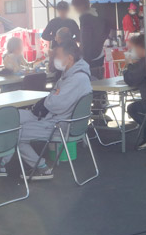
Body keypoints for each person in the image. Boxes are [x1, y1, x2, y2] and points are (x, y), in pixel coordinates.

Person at [7, 42, 93, 180]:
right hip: (59, 120)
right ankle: (2, 163)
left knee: (14, 133)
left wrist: (52, 96)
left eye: (57, 55)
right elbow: (55, 98)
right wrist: (54, 95)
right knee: (12, 118)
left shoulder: (76, 79)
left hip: (59, 125)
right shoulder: (74, 75)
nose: (54, 59)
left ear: (70, 58)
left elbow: (54, 104)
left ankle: (41, 168)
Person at [71, 0, 111, 82]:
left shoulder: (85, 18)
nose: (75, 10)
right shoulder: (96, 14)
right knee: (99, 81)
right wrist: (101, 41)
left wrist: (85, 60)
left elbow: (86, 40)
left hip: (90, 56)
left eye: (75, 7)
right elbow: (107, 27)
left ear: (81, 6)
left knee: (89, 83)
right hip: (99, 53)